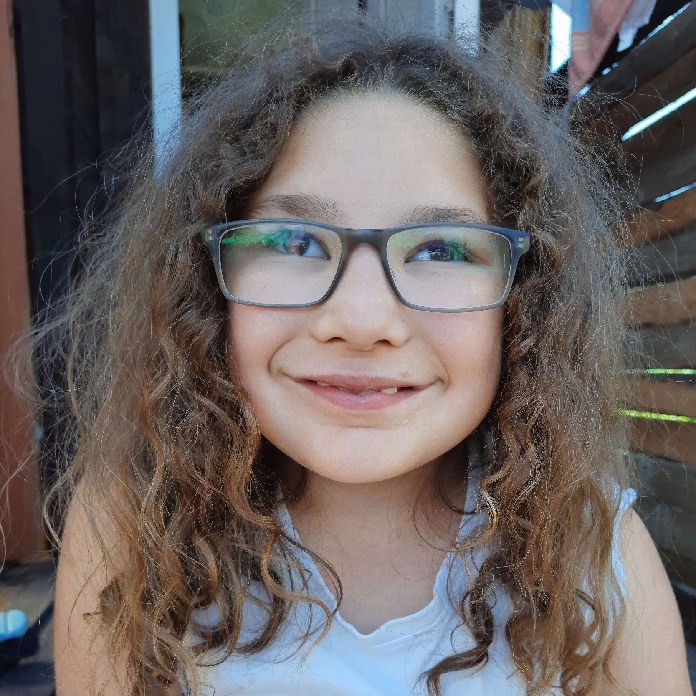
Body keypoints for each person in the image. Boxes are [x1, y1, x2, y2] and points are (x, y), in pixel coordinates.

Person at [44, 14, 691, 696]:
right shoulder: (133, 531)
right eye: (293, 242)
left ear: (523, 301)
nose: (361, 322)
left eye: (440, 249)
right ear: (205, 284)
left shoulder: (596, 560)